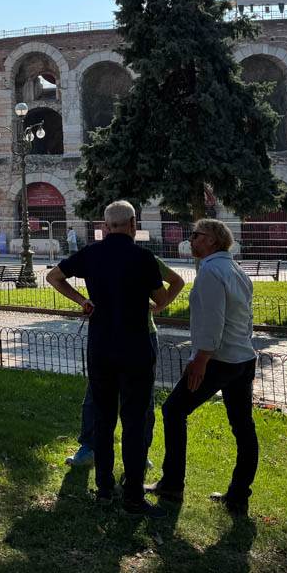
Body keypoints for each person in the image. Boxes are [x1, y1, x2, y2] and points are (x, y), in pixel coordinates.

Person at [46, 201, 170, 516]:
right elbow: (160, 298)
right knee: (134, 420)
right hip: (136, 346)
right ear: (133, 224)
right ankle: (133, 496)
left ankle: (103, 489)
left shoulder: (90, 254)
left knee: (103, 418)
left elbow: (54, 276)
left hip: (100, 346)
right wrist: (153, 303)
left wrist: (83, 301)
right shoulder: (144, 258)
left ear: (105, 226)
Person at [148, 218, 258, 515]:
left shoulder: (210, 271)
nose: (191, 239)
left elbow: (212, 320)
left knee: (173, 410)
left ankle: (172, 484)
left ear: (211, 239)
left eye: (196, 235)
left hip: (218, 359)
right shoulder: (235, 269)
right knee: (243, 427)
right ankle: (238, 496)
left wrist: (200, 360)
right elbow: (245, 317)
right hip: (242, 357)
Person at [66, 249, 184, 469]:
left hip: (141, 334)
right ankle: (90, 447)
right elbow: (55, 276)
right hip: (108, 334)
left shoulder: (145, 258)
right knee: (96, 394)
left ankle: (139, 451)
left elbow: (177, 281)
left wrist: (160, 306)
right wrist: (83, 301)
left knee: (142, 397)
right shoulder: (100, 256)